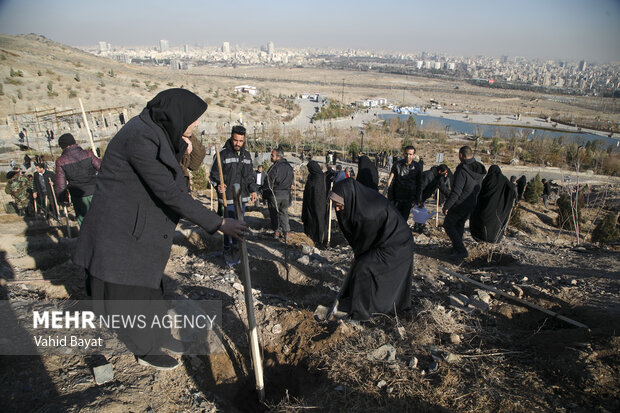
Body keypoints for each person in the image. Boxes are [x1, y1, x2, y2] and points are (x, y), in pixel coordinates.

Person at [73, 89, 247, 371]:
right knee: (132, 296)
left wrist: (183, 144)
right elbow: (170, 191)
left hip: (137, 228)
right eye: (194, 120)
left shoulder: (152, 128)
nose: (196, 126)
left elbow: (169, 167)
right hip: (121, 232)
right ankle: (145, 349)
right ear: (178, 115)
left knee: (152, 290)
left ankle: (160, 336)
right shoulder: (140, 138)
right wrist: (219, 223)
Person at [328, 178, 413, 321]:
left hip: (397, 244)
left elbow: (366, 243)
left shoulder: (367, 213)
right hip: (383, 239)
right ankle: (356, 298)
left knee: (363, 268)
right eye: (335, 205)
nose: (336, 209)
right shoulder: (354, 204)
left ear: (349, 199)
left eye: (339, 205)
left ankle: (361, 313)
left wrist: (358, 256)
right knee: (361, 264)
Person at [209, 125, 258, 257]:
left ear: (244, 140)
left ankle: (237, 248)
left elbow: (249, 177)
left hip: (242, 198)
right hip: (227, 197)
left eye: (241, 141)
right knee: (228, 224)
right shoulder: (222, 154)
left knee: (240, 224)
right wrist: (218, 185)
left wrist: (253, 190)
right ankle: (226, 248)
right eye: (236, 140)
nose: (238, 144)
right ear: (231, 138)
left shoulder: (247, 156)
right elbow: (213, 175)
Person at [442, 146, 486, 260]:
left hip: (459, 204)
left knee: (448, 224)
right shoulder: (478, 168)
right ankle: (456, 248)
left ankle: (461, 250)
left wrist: (447, 206)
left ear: (461, 155)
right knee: (459, 224)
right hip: (471, 203)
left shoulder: (462, 170)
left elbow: (456, 191)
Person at [54, 133, 102, 226]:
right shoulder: (88, 154)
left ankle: (89, 240)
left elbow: (61, 183)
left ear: (62, 147)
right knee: (100, 219)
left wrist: (61, 198)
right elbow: (102, 168)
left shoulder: (61, 161)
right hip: (95, 192)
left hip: (78, 197)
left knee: (85, 224)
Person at [469, 165, 516, 243]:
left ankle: (480, 238)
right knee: (495, 224)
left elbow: (481, 193)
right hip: (499, 209)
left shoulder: (488, 179)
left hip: (485, 208)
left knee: (481, 222)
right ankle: (494, 239)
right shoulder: (504, 180)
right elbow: (512, 190)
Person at [262, 148, 294, 239]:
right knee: (284, 212)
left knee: (274, 213)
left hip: (275, 194)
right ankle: (286, 232)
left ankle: (277, 232)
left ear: (278, 157)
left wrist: (265, 194)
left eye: (272, 155)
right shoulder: (289, 167)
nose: (271, 157)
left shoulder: (275, 167)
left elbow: (268, 182)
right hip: (286, 195)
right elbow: (292, 181)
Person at [388, 146, 423, 221]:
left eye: (410, 154)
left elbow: (419, 184)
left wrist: (417, 199)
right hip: (397, 198)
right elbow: (391, 182)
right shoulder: (397, 165)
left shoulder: (417, 167)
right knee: (394, 219)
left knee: (403, 220)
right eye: (406, 154)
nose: (408, 156)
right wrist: (390, 198)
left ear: (413, 155)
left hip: (409, 199)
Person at [414, 164, 452, 233]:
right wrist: (419, 200)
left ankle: (418, 227)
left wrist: (452, 197)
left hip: (423, 198)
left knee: (420, 213)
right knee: (416, 212)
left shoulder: (439, 178)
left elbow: (443, 188)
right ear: (440, 171)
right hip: (416, 196)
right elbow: (420, 188)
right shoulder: (428, 175)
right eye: (444, 173)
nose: (445, 175)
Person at [301, 160, 327, 246]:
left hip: (318, 204)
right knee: (310, 220)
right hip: (309, 203)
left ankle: (319, 239)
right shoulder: (311, 176)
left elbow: (318, 191)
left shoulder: (320, 177)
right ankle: (310, 237)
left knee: (318, 220)